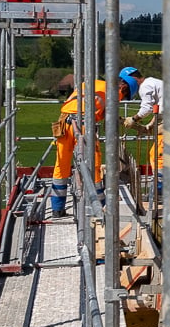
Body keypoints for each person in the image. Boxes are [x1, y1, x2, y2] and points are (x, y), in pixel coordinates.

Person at [51, 67, 140, 218]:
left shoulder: (94, 83)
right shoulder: (114, 93)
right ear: (123, 87)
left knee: (61, 165)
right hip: (84, 125)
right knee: (94, 165)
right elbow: (108, 116)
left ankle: (57, 209)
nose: (122, 98)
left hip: (64, 123)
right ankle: (100, 207)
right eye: (125, 95)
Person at [122, 68, 164, 172]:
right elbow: (160, 108)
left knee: (159, 156)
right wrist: (151, 124)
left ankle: (161, 183)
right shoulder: (153, 82)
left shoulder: (145, 86)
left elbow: (147, 108)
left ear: (132, 78)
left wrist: (133, 119)